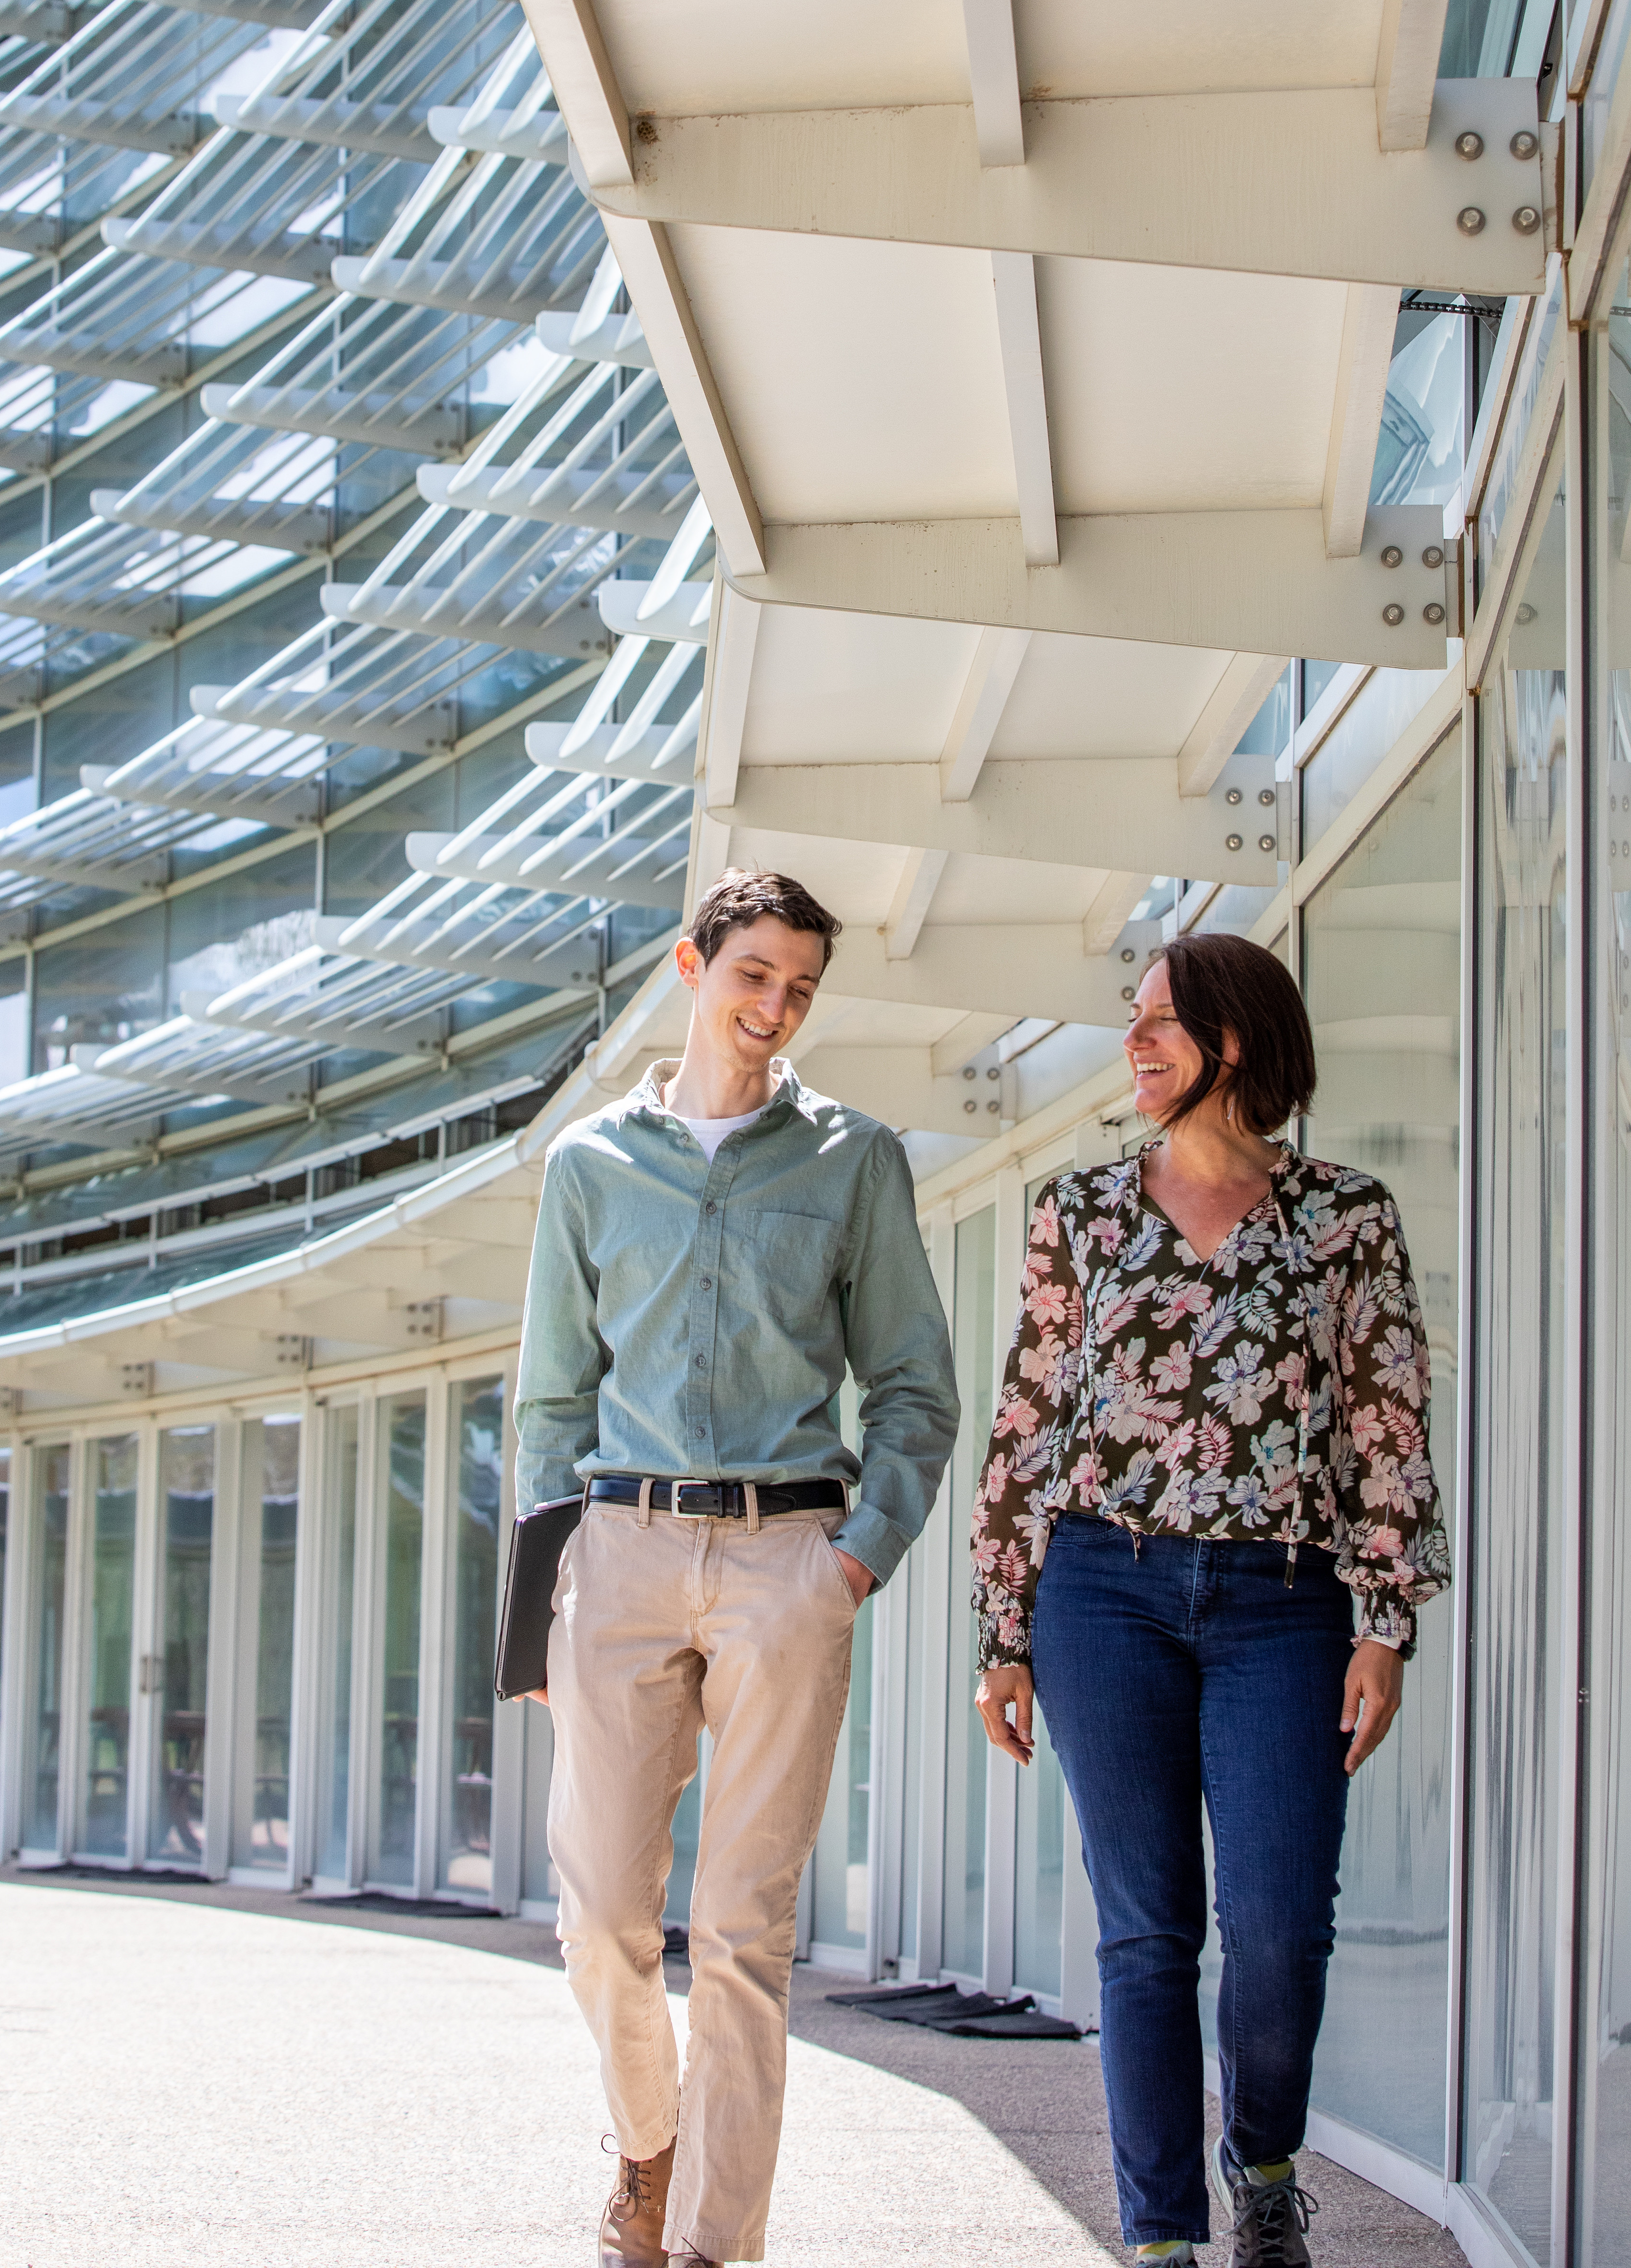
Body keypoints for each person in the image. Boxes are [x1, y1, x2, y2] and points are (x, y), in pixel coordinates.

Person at [971, 932, 1449, 2268]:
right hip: (1100, 1594)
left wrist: (1386, 1623)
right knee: (1145, 1934)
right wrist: (1002, 1628)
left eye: (1162, 1023)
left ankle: (1268, 2166)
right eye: (1133, 1021)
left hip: (1285, 1604)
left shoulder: (1345, 1218)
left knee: (1283, 1927)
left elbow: (1387, 1427)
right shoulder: (1080, 1213)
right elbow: (1027, 1421)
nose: (1134, 1044)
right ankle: (1163, 2239)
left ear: (1235, 1041)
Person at [515, 866, 959, 2268]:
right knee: (596, 1913)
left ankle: (711, 2243)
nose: (776, 1010)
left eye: (800, 989)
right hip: (622, 1554)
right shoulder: (589, 1165)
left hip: (788, 1559)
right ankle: (649, 2146)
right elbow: (546, 1403)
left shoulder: (854, 1162)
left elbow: (913, 1389)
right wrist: (547, 1603)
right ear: (695, 967)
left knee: (745, 1932)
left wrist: (856, 1561)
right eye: (755, 976)